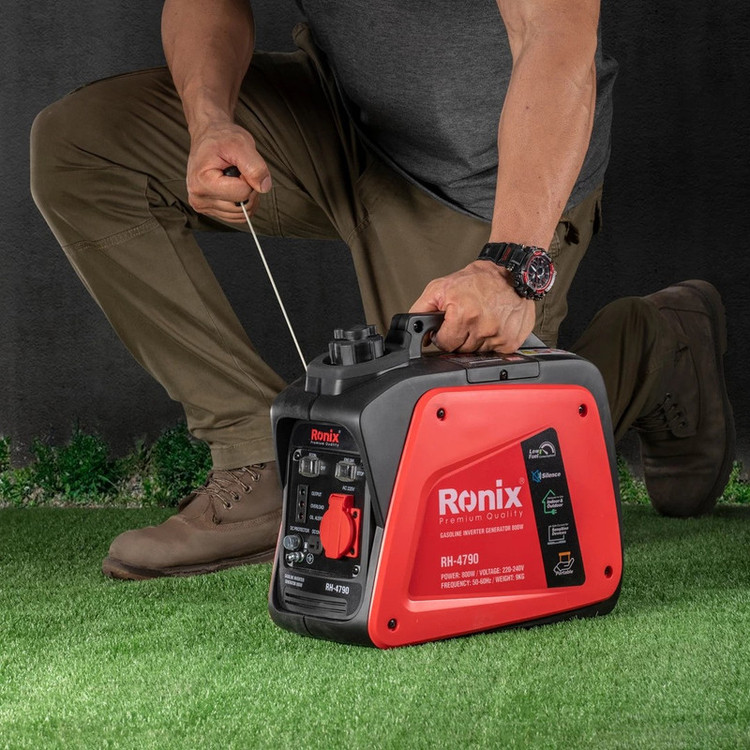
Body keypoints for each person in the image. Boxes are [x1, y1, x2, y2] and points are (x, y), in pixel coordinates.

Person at [30, 0, 734, 580]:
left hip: (490, 177)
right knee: (83, 147)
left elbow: (557, 34)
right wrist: (209, 118)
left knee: (452, 507)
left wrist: (511, 264)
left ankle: (659, 346)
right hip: (344, 118)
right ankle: (258, 460)